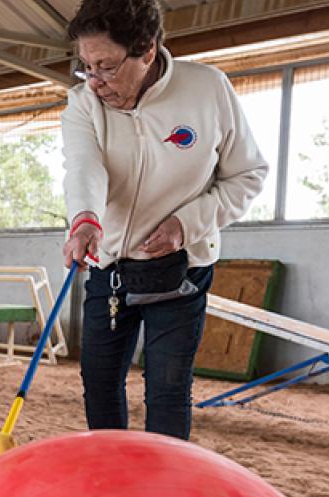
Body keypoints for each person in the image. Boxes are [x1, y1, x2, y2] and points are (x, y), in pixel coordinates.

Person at [60, 0, 268, 440]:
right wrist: (85, 220)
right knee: (99, 386)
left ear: (147, 50)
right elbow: (84, 166)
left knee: (169, 391)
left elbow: (247, 175)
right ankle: (112, 482)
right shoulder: (82, 103)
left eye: (107, 67)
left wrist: (186, 224)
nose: (95, 82)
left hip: (182, 270)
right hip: (109, 270)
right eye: (86, 67)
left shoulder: (208, 89)